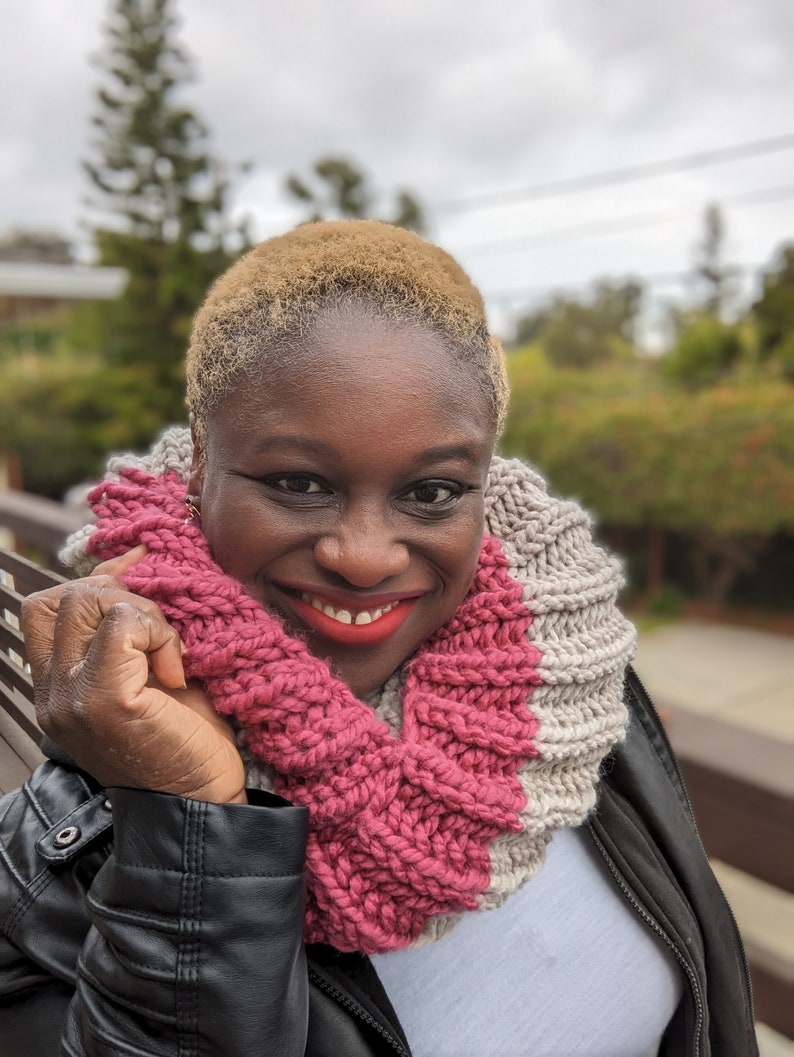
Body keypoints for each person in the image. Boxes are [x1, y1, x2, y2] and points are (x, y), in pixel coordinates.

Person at [0, 220, 756, 1057]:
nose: (364, 556)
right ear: (202, 464)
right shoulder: (50, 874)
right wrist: (190, 825)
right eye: (297, 482)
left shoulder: (568, 685)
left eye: (431, 491)